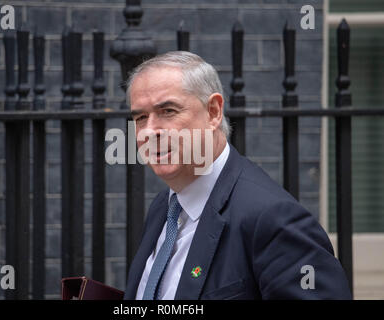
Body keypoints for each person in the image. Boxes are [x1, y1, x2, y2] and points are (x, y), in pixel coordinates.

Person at [123, 51, 352, 300]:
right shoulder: (164, 207)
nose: (150, 131)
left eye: (168, 111)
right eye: (141, 117)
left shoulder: (273, 218)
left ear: (213, 112)